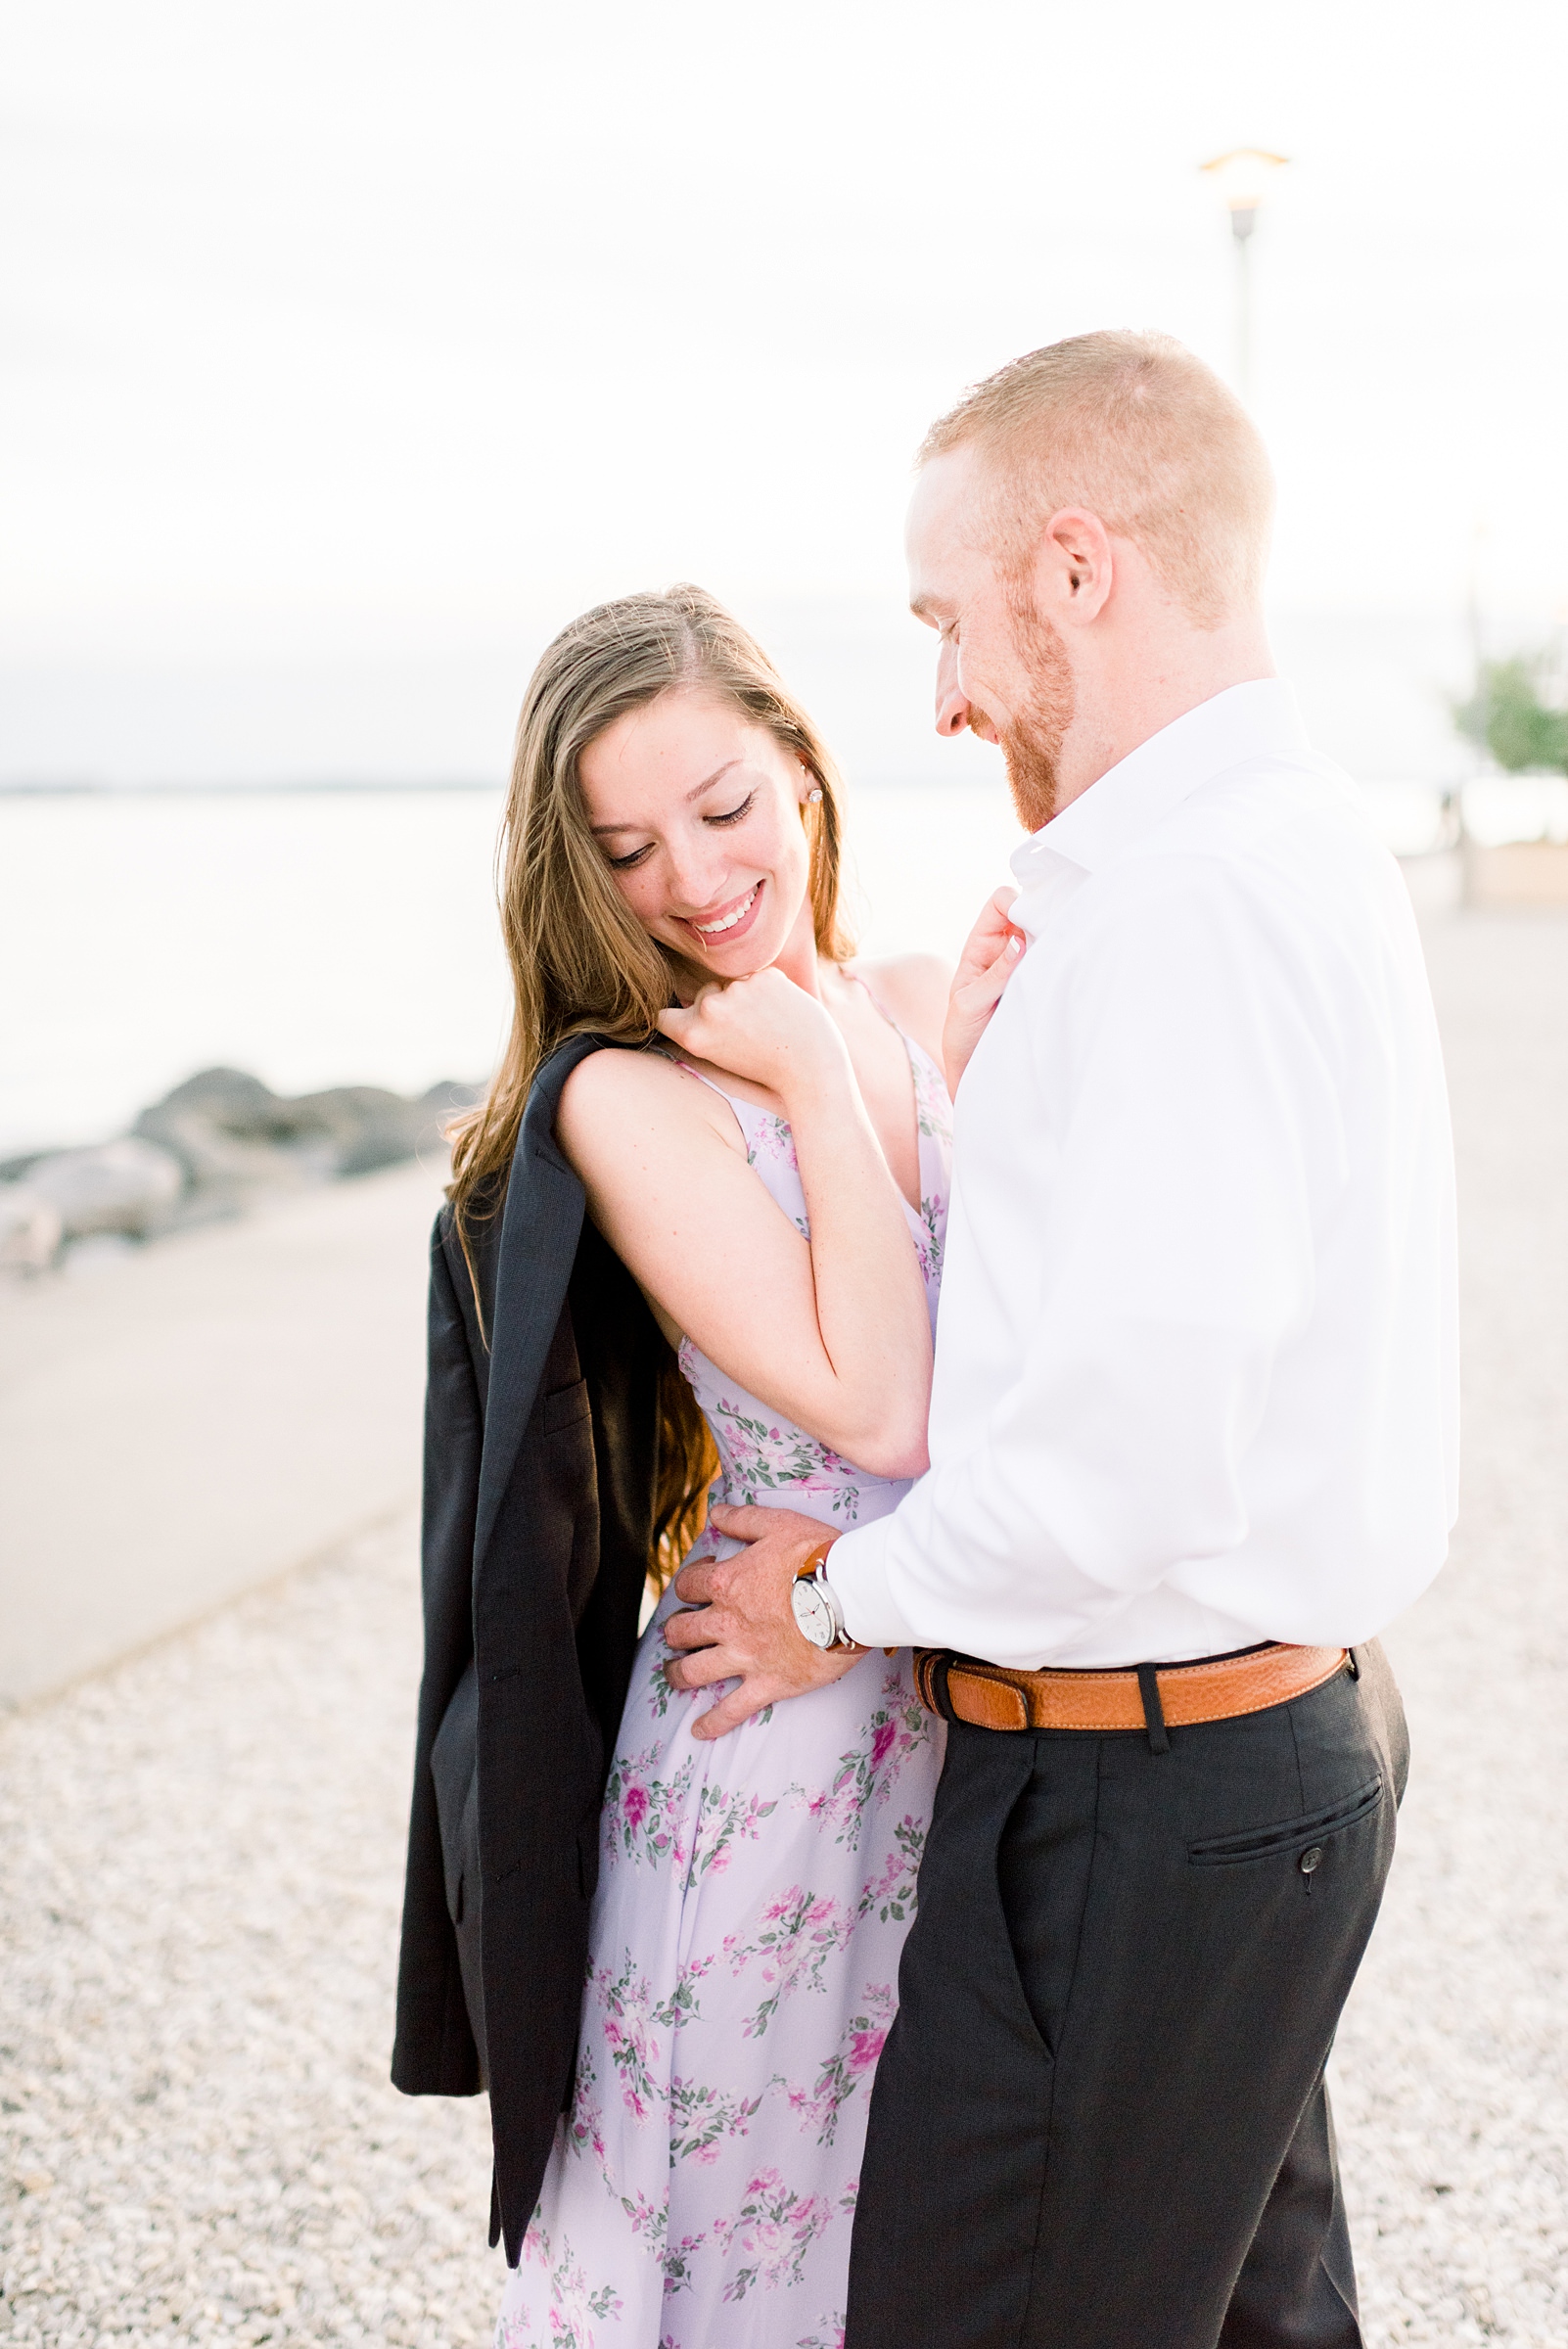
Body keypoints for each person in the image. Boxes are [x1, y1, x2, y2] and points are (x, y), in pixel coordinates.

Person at [662, 331, 1460, 2349]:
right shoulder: (1256, 851)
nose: (938, 692)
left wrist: (829, 1598)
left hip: (1143, 1798)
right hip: (1248, 1758)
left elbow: (1122, 1464)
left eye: (951, 618)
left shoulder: (1187, 907)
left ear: (1080, 567)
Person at [392, 586, 1016, 2346]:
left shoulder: (909, 1000)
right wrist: (818, 1074)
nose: (687, 878)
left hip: (946, 1708)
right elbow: (879, 1417)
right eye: (626, 848)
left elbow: (1024, 1341)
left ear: (803, 772)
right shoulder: (632, 1097)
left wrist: (919, 1055)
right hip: (775, 1747)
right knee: (725, 2251)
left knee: (889, 2250)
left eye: (723, 808)